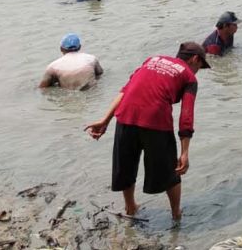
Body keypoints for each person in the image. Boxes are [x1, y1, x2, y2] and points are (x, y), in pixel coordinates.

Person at [84, 43, 210, 221]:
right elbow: (186, 115)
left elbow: (126, 91)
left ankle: (130, 207)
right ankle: (176, 213)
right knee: (171, 171)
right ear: (195, 59)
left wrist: (105, 120)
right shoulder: (189, 77)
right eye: (200, 66)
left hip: (125, 117)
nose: (198, 71)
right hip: (156, 121)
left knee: (126, 165)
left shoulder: (152, 60)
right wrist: (185, 152)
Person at [39, 33, 103, 90]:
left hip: (69, 96)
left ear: (61, 48)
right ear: (79, 47)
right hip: (91, 93)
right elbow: (100, 74)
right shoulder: (91, 58)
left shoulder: (53, 66)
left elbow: (43, 88)